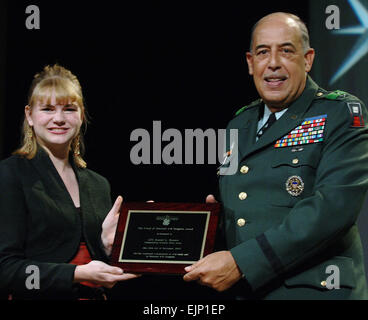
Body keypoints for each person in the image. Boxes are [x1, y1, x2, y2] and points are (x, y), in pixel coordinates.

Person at [184, 12, 368, 300]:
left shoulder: (339, 113)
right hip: (249, 291)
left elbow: (332, 209)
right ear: (250, 63)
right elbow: (248, 211)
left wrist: (242, 262)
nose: (272, 64)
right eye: (262, 52)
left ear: (307, 59)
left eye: (286, 51)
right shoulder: (239, 124)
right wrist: (201, 224)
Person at [0, 64, 139, 300]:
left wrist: (108, 247)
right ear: (29, 115)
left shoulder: (98, 184)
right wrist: (76, 273)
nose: (59, 119)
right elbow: (6, 269)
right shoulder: (10, 174)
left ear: (81, 114)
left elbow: (103, 270)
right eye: (47, 109)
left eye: (69, 109)